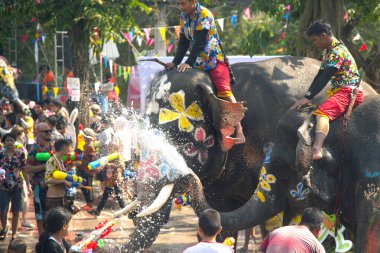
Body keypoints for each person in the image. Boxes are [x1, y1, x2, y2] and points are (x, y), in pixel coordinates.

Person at [166, 0, 245, 144]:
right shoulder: (184, 17)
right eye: (179, 3)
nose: (180, 6)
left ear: (193, 2)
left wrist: (188, 63)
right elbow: (183, 43)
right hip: (197, 62)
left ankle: (239, 129)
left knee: (224, 91)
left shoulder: (204, 14)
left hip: (214, 60)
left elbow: (199, 43)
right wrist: (175, 62)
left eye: (183, 3)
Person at [291, 20, 364, 160]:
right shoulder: (328, 52)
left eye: (314, 40)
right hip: (339, 91)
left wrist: (308, 97)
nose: (314, 44)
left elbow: (326, 76)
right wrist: (308, 95)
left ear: (323, 35)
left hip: (349, 91)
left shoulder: (338, 52)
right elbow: (319, 75)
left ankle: (317, 150)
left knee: (322, 113)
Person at [26, 122, 54, 235]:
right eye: (46, 131)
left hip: (53, 185)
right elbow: (28, 168)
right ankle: (42, 239)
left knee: (52, 213)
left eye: (50, 131)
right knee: (40, 213)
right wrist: (45, 165)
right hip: (40, 186)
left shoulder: (53, 147)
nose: (49, 133)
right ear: (38, 133)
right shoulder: (34, 149)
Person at [258, 207, 325, 253]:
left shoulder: (276, 232)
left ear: (300, 222)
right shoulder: (316, 244)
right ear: (318, 229)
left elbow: (261, 251)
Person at [0, 133, 27, 240]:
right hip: (3, 185)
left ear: (14, 141)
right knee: (3, 210)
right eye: (7, 140)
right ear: (4, 142)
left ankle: (14, 234)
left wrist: (28, 183)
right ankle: (4, 228)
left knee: (16, 211)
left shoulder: (20, 154)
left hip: (17, 185)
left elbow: (24, 169)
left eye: (11, 140)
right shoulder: (1, 154)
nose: (10, 142)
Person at [45, 139, 71, 211]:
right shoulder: (52, 161)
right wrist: (64, 181)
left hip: (62, 196)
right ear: (64, 147)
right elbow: (48, 180)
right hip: (54, 198)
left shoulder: (61, 161)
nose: (69, 150)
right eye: (68, 147)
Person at [79, 128, 97, 211]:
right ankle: (88, 203)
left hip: (89, 170)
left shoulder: (90, 146)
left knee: (88, 187)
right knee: (84, 186)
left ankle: (90, 205)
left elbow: (93, 158)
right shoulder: (86, 145)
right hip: (84, 169)